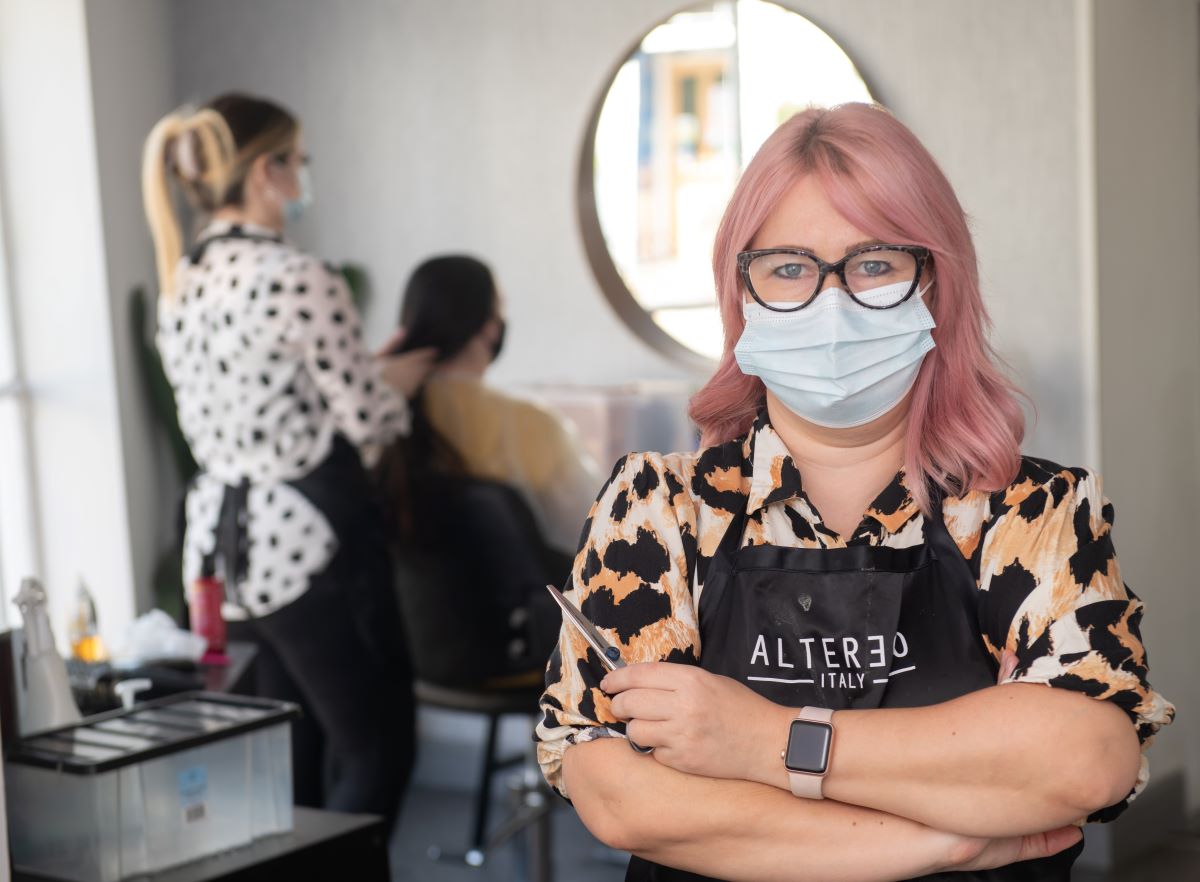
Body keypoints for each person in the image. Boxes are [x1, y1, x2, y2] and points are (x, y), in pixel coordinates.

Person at [535, 103, 1175, 882]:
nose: (830, 304)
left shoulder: (1032, 514)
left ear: (935, 282)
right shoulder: (658, 510)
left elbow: (1085, 762)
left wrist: (758, 742)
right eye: (790, 268)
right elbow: (623, 797)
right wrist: (946, 842)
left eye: (875, 264)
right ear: (742, 293)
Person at [143, 92, 435, 826]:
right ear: (268, 170)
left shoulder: (182, 283)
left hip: (218, 549)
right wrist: (394, 384)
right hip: (303, 540)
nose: (304, 176)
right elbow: (366, 420)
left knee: (286, 765)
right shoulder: (297, 275)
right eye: (298, 160)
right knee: (376, 747)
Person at [378, 254, 602, 566]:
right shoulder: (535, 426)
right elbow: (595, 538)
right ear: (490, 326)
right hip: (520, 610)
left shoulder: (377, 422)